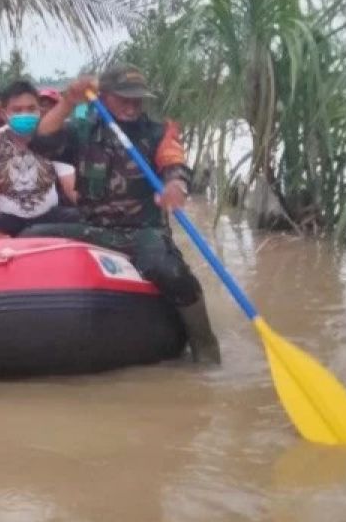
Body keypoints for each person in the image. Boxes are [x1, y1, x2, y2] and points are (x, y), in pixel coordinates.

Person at [22, 64, 221, 364]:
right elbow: (40, 140)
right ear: (103, 97)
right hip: (92, 228)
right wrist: (67, 103)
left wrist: (175, 186)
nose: (132, 106)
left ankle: (205, 347)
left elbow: (175, 164)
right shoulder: (83, 131)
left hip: (141, 231)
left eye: (137, 100)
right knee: (30, 237)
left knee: (170, 272)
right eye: (124, 99)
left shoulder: (158, 132)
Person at [0, 80, 78, 238]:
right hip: (8, 219)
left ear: (39, 111)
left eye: (31, 109)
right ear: (4, 114)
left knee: (78, 218)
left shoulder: (54, 137)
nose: (25, 114)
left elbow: (70, 186)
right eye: (17, 110)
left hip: (48, 217)